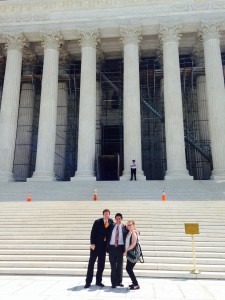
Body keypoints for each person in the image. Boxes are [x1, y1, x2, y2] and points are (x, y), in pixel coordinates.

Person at [84, 209, 113, 288]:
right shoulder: (97, 222)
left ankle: (98, 281)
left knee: (101, 265)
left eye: (108, 214)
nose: (106, 215)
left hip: (103, 248)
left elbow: (116, 227)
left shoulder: (111, 222)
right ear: (103, 214)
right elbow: (93, 232)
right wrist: (92, 243)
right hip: (95, 246)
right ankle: (88, 282)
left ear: (109, 215)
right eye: (105, 214)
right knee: (91, 264)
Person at [107, 213, 128, 288]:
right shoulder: (111, 226)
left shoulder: (125, 227)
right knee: (113, 266)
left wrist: (137, 232)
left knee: (119, 266)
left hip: (120, 248)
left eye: (119, 219)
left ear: (121, 219)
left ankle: (119, 282)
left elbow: (132, 229)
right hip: (112, 248)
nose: (118, 220)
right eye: (117, 219)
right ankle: (113, 283)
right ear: (115, 219)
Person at [124, 220, 140, 290]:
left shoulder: (133, 233)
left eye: (130, 225)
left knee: (128, 269)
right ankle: (134, 283)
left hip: (133, 254)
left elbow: (133, 243)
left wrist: (126, 250)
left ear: (133, 225)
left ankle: (136, 284)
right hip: (130, 253)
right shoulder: (130, 232)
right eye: (128, 225)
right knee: (129, 268)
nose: (129, 226)